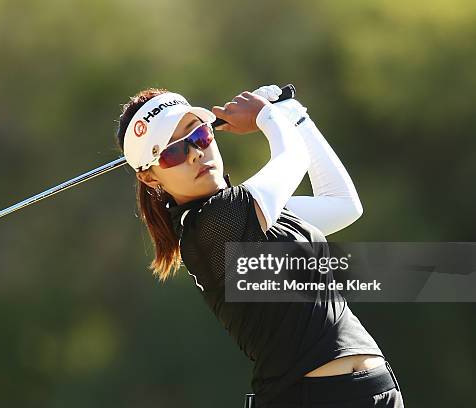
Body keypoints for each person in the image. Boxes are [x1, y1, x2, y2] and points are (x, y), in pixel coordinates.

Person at [114, 85, 404, 407]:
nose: (196, 153)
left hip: (375, 391)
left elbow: (342, 203)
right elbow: (292, 158)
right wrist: (267, 116)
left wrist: (293, 113)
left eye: (199, 137)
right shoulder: (211, 226)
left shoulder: (255, 217)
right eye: (172, 153)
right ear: (150, 179)